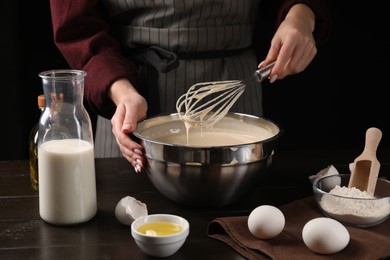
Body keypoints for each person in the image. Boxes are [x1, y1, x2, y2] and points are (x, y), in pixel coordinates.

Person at [49, 0, 330, 173]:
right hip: (128, 100)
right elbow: (79, 29)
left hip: (235, 97)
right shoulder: (124, 96)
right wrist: (122, 92)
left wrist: (301, 15)